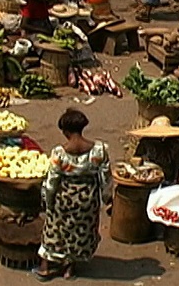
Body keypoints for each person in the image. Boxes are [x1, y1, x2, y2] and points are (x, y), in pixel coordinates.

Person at [35, 109, 110, 281]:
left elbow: (52, 181)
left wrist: (47, 200)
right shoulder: (99, 150)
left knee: (54, 231)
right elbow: (106, 177)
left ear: (66, 131)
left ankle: (45, 268)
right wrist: (107, 199)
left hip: (64, 198)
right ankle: (69, 269)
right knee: (79, 233)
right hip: (89, 198)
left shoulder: (59, 153)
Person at [129, 116, 179, 184]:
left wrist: (176, 179)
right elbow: (136, 159)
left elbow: (178, 160)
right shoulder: (146, 142)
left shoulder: (173, 142)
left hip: (168, 178)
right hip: (150, 177)